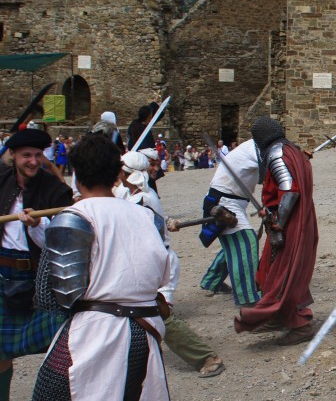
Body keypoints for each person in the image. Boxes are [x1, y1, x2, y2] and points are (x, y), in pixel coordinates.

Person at [28, 133, 175, 401]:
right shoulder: (145, 216)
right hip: (144, 330)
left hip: (96, 329)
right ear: (117, 175)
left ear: (75, 175)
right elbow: (163, 274)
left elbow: (52, 296)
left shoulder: (74, 217)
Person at [121, 152, 225, 378]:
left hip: (153, 262)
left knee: (159, 313)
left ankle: (206, 357)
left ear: (127, 174)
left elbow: (146, 234)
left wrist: (163, 225)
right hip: (139, 261)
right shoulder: (128, 194)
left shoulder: (144, 198)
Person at [0, 128, 74, 401]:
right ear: (13, 156)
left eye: (37, 155)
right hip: (3, 272)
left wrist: (35, 225)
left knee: (60, 346)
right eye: (26, 155)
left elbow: (59, 242)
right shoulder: (1, 181)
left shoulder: (56, 191)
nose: (32, 161)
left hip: (39, 275)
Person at [234, 117, 318, 345]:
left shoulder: (277, 154)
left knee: (283, 272)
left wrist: (279, 225)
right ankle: (278, 316)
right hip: (288, 219)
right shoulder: (290, 150)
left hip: (288, 223)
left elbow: (290, 191)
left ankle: (299, 324)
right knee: (272, 270)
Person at [197, 138, 262, 308]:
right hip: (224, 201)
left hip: (236, 201)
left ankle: (212, 281)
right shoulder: (254, 149)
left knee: (234, 244)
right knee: (245, 241)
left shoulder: (256, 149)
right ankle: (247, 296)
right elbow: (271, 170)